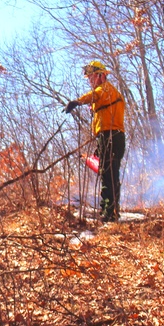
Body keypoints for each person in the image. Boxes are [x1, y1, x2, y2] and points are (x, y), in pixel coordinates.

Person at [64, 60, 126, 222]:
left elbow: (95, 95)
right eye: (89, 78)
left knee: (109, 174)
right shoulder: (105, 93)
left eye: (92, 77)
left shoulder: (105, 89)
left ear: (100, 76)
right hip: (106, 137)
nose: (90, 81)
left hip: (112, 136)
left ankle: (110, 212)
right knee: (106, 173)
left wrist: (77, 102)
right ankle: (108, 209)